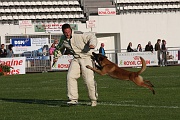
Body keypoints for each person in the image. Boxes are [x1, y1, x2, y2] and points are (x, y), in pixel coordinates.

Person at [53, 24, 98, 106]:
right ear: (63, 32)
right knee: (70, 76)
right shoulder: (63, 39)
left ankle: (93, 99)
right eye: (65, 32)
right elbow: (59, 48)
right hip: (76, 58)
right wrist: (56, 57)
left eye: (69, 32)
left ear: (71, 30)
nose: (67, 34)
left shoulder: (79, 34)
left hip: (86, 57)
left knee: (88, 80)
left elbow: (92, 36)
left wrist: (92, 44)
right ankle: (73, 99)